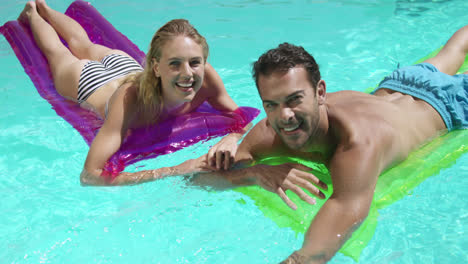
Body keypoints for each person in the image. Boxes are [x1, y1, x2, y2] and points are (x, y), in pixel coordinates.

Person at [177, 25, 468, 263]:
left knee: (457, 49)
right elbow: (197, 180)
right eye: (272, 104)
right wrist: (252, 174)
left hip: (448, 105)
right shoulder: (269, 131)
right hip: (402, 83)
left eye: (294, 99)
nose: (284, 116)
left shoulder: (357, 146)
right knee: (455, 47)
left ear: (320, 92)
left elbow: (314, 254)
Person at [19, 0, 251, 186]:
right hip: (89, 82)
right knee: (58, 51)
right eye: (175, 64)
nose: (187, 73)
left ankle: (46, 7)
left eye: (194, 62)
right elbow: (90, 175)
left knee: (83, 43)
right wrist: (174, 170)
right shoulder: (130, 100)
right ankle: (33, 12)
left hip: (126, 67)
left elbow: (240, 119)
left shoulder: (207, 77)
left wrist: (232, 139)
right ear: (156, 66)